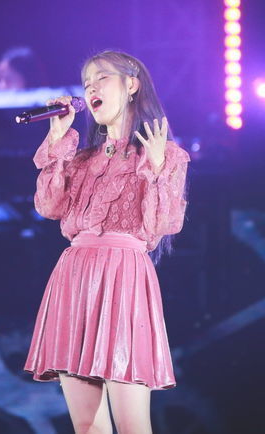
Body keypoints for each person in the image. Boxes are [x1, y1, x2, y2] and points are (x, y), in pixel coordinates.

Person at [23, 50, 191, 433]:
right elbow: (48, 206)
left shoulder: (164, 156)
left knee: (132, 426)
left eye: (101, 78)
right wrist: (57, 137)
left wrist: (157, 168)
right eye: (86, 83)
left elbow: (164, 223)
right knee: (88, 427)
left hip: (122, 278)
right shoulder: (82, 160)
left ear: (131, 84)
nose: (91, 88)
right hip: (74, 278)